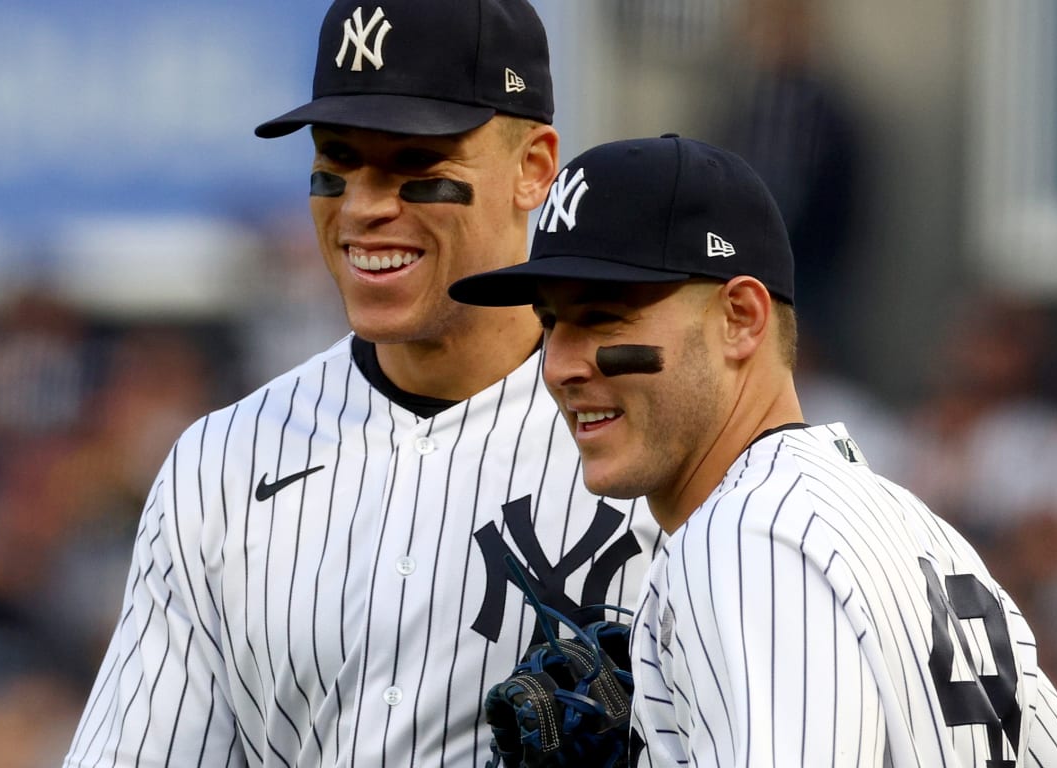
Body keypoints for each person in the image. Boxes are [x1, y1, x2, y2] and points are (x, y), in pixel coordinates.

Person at [63, 1, 661, 765]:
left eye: (417, 166)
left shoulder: (653, 448)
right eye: (335, 165)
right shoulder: (220, 465)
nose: (364, 207)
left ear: (533, 168)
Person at [450, 135, 1057, 767]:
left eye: (601, 317)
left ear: (740, 318)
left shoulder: (745, 537)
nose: (559, 363)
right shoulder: (924, 535)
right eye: (550, 322)